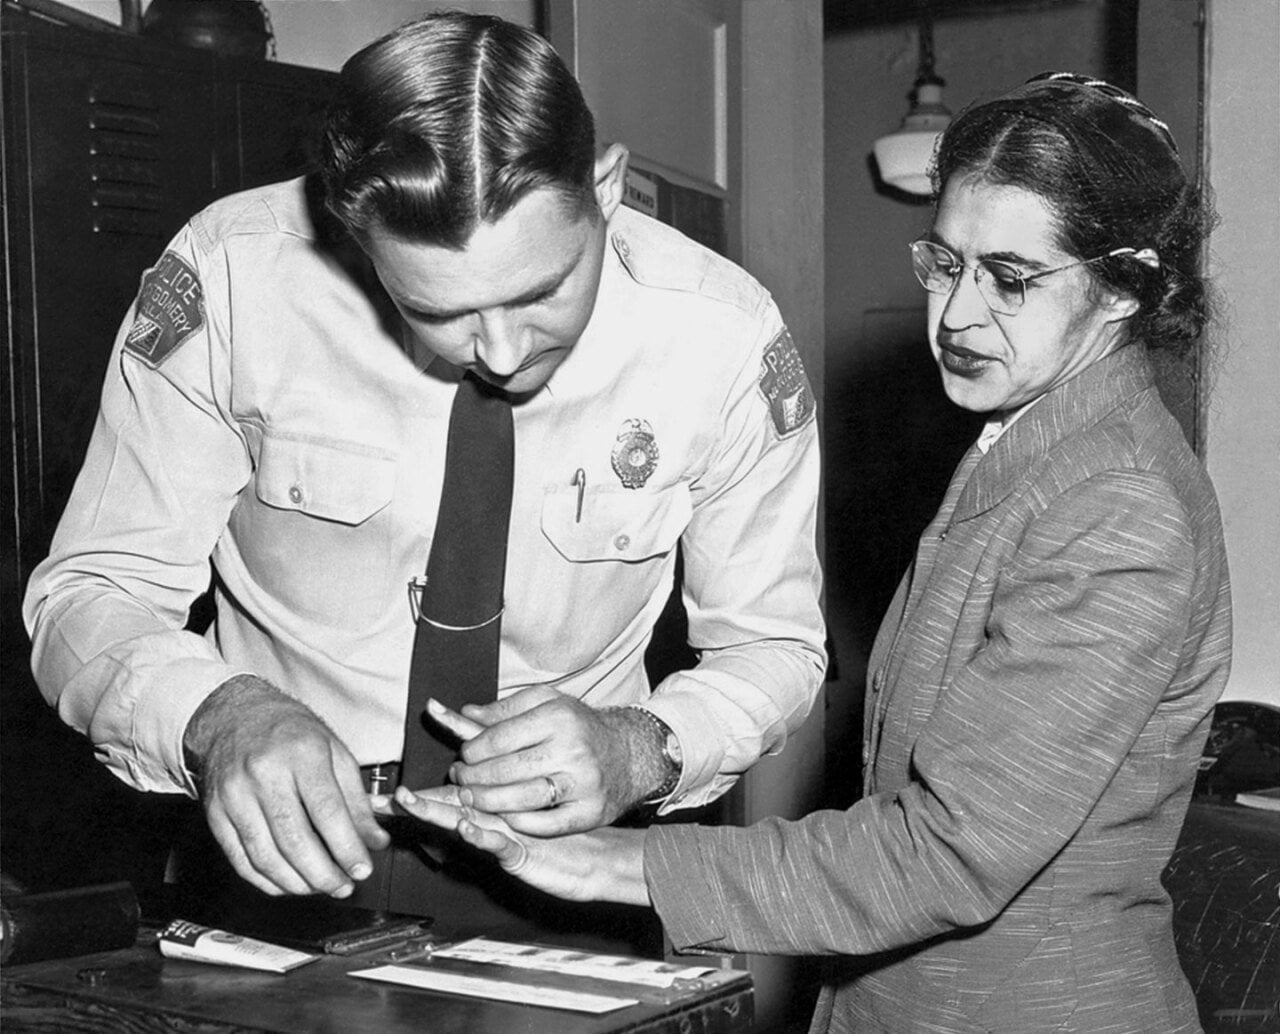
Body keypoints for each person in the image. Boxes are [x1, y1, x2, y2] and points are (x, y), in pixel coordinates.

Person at [395, 71, 1232, 1033]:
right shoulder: (1041, 443)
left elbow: (947, 854)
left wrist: (609, 861)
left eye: (1008, 278)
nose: (956, 315)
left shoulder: (1118, 503)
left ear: (1124, 287)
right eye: (945, 263)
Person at [22, 11, 824, 936]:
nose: (503, 351)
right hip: (281, 865)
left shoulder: (721, 336)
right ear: (352, 235)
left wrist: (642, 746)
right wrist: (218, 715)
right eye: (438, 311)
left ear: (605, 187)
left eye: (541, 291)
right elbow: (91, 590)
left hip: (577, 872)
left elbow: (777, 645)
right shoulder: (234, 277)